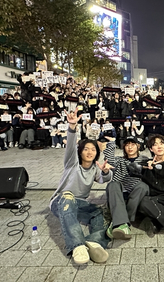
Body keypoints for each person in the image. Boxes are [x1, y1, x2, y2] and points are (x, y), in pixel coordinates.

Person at [49, 109, 114, 265]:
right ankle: (77, 245)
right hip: (61, 202)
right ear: (80, 152)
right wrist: (72, 127)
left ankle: (95, 241)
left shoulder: (94, 168)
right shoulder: (72, 163)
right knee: (68, 197)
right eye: (86, 149)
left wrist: (105, 171)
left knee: (102, 212)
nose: (90, 152)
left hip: (79, 204)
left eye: (93, 149)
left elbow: (105, 178)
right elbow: (71, 145)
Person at [102, 136, 150, 240]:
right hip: (119, 196)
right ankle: (123, 224)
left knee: (143, 186)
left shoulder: (144, 160)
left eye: (132, 144)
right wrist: (112, 143)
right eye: (127, 145)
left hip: (135, 197)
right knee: (112, 184)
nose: (130, 147)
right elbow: (109, 160)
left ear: (138, 146)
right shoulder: (119, 160)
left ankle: (118, 221)